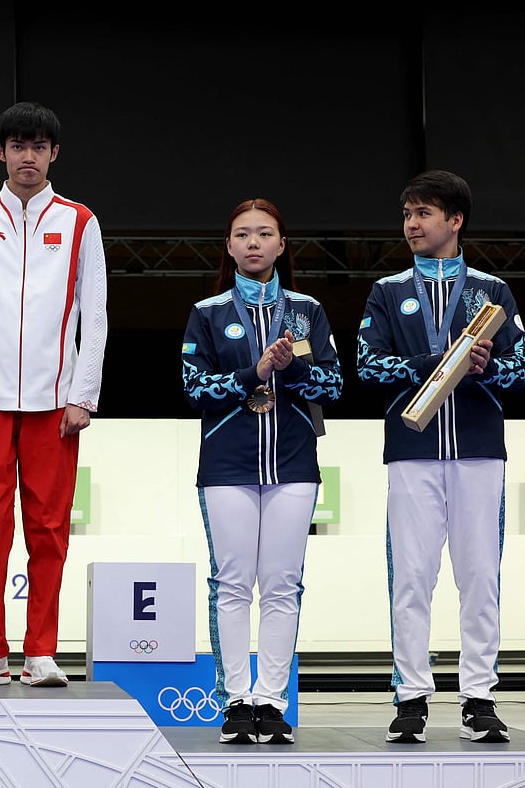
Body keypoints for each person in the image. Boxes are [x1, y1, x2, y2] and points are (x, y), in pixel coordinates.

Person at [0, 101, 107, 688]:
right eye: (17, 146)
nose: (27, 156)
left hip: (55, 405)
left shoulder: (81, 222)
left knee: (49, 526)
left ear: (54, 153)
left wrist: (83, 394)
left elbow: (97, 315)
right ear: (0, 152)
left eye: (38, 146)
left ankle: (41, 652)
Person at [357, 169, 525, 745]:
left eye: (424, 214)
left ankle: (479, 696)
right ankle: (411, 697)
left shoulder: (492, 292)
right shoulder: (388, 292)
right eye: (407, 214)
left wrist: (483, 368)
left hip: (479, 449)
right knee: (412, 576)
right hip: (411, 450)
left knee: (480, 575)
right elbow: (367, 365)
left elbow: (521, 369)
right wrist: (434, 361)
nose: (411, 224)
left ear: (454, 220)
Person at [181, 199, 342, 745]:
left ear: (281, 245)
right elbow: (193, 388)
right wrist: (255, 371)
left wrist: (290, 368)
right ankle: (235, 701)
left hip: (294, 465)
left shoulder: (306, 311)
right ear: (228, 246)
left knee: (282, 584)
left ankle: (272, 700)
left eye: (264, 234)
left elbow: (334, 386)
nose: (253, 243)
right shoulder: (207, 312)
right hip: (227, 465)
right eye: (243, 234)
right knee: (231, 583)